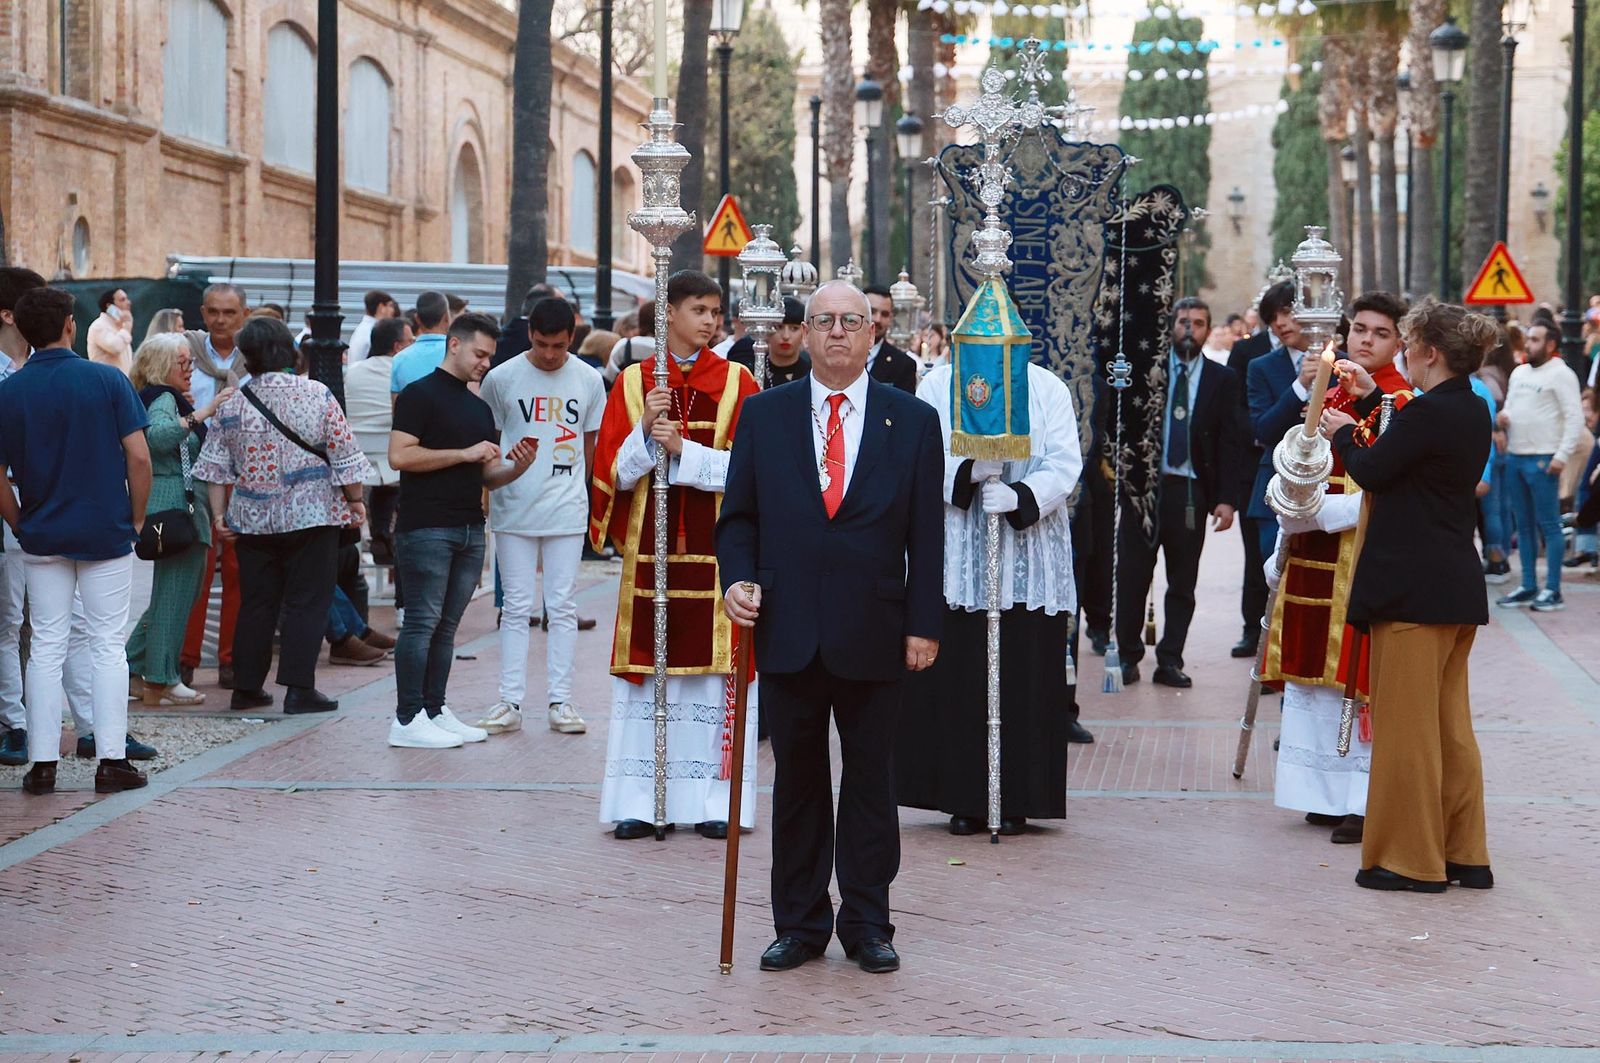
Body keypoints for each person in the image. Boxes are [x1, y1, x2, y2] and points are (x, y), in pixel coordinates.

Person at [717, 279, 943, 974]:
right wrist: (737, 578)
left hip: (876, 627)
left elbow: (928, 534)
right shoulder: (766, 414)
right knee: (800, 781)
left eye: (851, 321)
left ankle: (869, 920)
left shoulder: (911, 420)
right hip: (788, 625)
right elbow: (740, 516)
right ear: (805, 334)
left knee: (871, 779)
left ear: (873, 334)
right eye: (824, 322)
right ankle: (800, 921)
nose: (838, 332)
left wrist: (923, 622)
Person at [1318, 299, 1497, 893]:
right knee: (1449, 728)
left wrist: (1343, 433)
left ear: (1430, 353)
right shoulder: (1467, 407)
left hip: (1412, 591)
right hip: (1451, 586)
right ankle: (1463, 852)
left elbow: (1373, 467)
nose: (1403, 354)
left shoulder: (1428, 413)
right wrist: (1371, 400)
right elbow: (1409, 449)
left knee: (1406, 732)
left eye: (1409, 344)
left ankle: (1408, 860)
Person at [590, 270, 760, 839]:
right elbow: (612, 472)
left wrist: (684, 450)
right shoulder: (636, 383)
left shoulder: (738, 382)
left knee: (715, 681)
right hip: (651, 559)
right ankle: (641, 798)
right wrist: (644, 433)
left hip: (718, 557)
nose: (711, 320)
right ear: (670, 315)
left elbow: (750, 473)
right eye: (699, 310)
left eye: (716, 310)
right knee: (648, 677)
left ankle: (715, 803)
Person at [896, 355, 1082, 836]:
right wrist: (968, 472)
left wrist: (1022, 495)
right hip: (961, 551)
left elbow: (1064, 462)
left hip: (1026, 553)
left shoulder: (1046, 387)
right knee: (960, 678)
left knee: (1023, 675)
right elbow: (916, 457)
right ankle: (962, 798)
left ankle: (1018, 796)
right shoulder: (937, 386)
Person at [1263, 292, 1410, 845]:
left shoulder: (1401, 399)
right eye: (1361, 330)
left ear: (1399, 343)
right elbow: (1287, 453)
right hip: (1310, 553)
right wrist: (1288, 517)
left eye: (1380, 333)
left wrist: (1330, 512)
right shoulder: (1323, 384)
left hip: (1360, 557)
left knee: (1356, 678)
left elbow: (1392, 485)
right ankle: (1318, 793)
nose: (1366, 340)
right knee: (1312, 679)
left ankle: (1360, 799)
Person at [0, 287, 152, 795]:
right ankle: (111, 759)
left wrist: (20, 520)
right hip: (105, 527)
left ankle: (43, 763)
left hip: (41, 529)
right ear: (70, 324)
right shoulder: (106, 379)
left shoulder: (10, 391)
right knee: (108, 645)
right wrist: (135, 519)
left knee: (45, 645)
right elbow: (140, 458)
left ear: (21, 330)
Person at [192, 317, 370, 714]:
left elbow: (215, 468)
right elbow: (345, 455)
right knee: (308, 602)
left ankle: (246, 687)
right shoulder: (317, 393)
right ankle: (299, 689)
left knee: (257, 602)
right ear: (288, 351)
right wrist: (355, 501)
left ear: (248, 357)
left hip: (253, 519)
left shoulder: (232, 401)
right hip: (312, 515)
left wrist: (221, 517)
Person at [388, 312, 538, 748]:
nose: (485, 364)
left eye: (490, 356)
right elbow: (400, 456)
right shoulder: (419, 395)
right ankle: (406, 716)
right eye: (479, 353)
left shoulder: (478, 407)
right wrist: (464, 452)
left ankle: (434, 709)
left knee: (447, 626)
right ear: (453, 344)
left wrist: (515, 467)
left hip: (470, 526)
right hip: (426, 527)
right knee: (421, 622)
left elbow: (486, 475)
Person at [477, 297, 605, 736]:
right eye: (541, 343)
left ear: (572, 338)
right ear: (530, 334)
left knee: (563, 605)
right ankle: (509, 700)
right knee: (515, 606)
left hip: (566, 507)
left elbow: (592, 450)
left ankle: (561, 701)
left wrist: (591, 502)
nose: (549, 353)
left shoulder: (588, 379)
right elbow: (489, 443)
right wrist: (489, 487)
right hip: (513, 505)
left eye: (559, 345)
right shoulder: (501, 378)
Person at [1116, 297, 1244, 687]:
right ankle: (1127, 655)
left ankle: (1170, 659)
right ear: (1171, 326)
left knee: (1183, 581)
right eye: (1183, 322)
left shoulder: (1223, 381)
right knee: (1133, 575)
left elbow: (1231, 442)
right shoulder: (1146, 374)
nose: (1190, 330)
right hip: (1144, 491)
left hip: (1190, 492)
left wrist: (1226, 498)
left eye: (1199, 323)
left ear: (1208, 330)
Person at [126, 333, 234, 706]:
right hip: (176, 505)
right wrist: (201, 413)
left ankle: (132, 668)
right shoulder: (163, 398)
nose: (190, 370)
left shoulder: (158, 398)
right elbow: (156, 438)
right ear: (161, 366)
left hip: (173, 504)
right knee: (177, 594)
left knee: (171, 596)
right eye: (183, 363)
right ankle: (161, 678)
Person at [180, 283, 249, 690]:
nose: (220, 320)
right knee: (196, 569)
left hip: (243, 474)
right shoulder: (185, 351)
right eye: (213, 312)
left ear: (244, 313)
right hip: (196, 473)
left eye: (229, 312)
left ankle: (231, 661)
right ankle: (184, 660)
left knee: (241, 572)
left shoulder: (257, 355)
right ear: (202, 313)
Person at [1494, 319, 1583, 612]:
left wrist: (1561, 456)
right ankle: (1528, 584)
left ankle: (1553, 589)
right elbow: (1510, 405)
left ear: (1550, 345)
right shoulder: (1519, 373)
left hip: (1544, 459)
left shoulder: (1561, 374)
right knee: (1524, 526)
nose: (1528, 344)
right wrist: (1504, 416)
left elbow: (1574, 418)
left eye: (1534, 340)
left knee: (1550, 526)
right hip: (1516, 457)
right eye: (1528, 338)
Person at [1227, 281, 1295, 659]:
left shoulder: (1330, 357)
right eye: (1275, 316)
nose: (1282, 323)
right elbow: (1238, 408)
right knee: (1260, 557)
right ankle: (1253, 629)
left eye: (1289, 312)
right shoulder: (1250, 355)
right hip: (1258, 467)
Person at [0, 267, 46, 766]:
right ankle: (14, 722)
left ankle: (95, 726)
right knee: (10, 619)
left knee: (67, 621)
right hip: (10, 508)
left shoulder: (48, 365)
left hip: (51, 506)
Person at [346, 316, 411, 563]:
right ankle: (393, 535)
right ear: (397, 346)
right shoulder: (404, 372)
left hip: (360, 458)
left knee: (384, 478)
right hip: (395, 459)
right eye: (410, 341)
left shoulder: (351, 373)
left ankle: (381, 533)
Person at [727, 297, 811, 386]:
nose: (786, 336)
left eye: (794, 328)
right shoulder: (750, 370)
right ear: (766, 328)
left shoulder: (811, 375)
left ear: (804, 331)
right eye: (779, 327)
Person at [390, 291, 453, 398]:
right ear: (447, 317)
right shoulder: (457, 354)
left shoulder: (398, 360)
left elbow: (397, 410)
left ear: (417, 319)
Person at [862, 285, 919, 392]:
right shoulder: (841, 354)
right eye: (872, 311)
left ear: (891, 318)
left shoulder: (903, 365)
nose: (878, 319)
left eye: (884, 314)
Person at [86, 287, 135, 374]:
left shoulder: (121, 327)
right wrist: (127, 326)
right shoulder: (98, 326)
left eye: (127, 299)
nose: (128, 303)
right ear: (109, 306)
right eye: (122, 300)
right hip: (107, 384)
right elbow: (116, 347)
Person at [347, 289, 398, 364]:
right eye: (390, 306)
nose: (393, 310)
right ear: (381, 307)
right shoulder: (372, 331)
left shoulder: (363, 329)